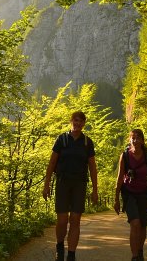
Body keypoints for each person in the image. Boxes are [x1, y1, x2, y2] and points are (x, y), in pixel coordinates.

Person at [43, 111, 99, 261]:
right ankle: (60, 246)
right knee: (62, 220)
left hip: (79, 184)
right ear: (71, 121)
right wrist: (46, 184)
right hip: (62, 183)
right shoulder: (61, 139)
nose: (78, 123)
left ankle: (71, 255)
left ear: (84, 124)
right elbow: (52, 163)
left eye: (81, 121)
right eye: (75, 120)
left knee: (75, 219)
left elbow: (93, 168)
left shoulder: (87, 142)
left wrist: (95, 190)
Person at [113, 129, 147, 261]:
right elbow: (120, 178)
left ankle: (140, 250)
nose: (135, 140)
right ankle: (134, 257)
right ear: (130, 140)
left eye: (138, 138)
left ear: (143, 141)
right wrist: (116, 199)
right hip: (129, 193)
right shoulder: (125, 156)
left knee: (143, 224)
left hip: (144, 193)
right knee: (135, 223)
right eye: (133, 138)